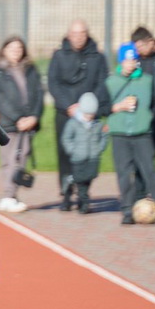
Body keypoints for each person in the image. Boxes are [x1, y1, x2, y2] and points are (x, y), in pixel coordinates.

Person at [104, 45, 155, 225]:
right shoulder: (111, 82)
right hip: (120, 134)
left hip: (142, 134)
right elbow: (103, 107)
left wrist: (149, 117)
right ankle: (126, 210)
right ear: (121, 61)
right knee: (124, 173)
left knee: (150, 172)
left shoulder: (147, 81)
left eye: (133, 60)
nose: (130, 64)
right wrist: (117, 108)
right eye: (127, 60)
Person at [47, 20, 110, 189]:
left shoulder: (98, 57)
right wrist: (69, 106)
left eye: (82, 33)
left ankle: (83, 191)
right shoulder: (59, 56)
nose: (78, 38)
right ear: (69, 35)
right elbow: (53, 83)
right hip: (65, 112)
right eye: (74, 34)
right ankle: (66, 189)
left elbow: (102, 82)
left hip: (89, 114)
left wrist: (87, 107)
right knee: (64, 150)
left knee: (88, 153)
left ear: (87, 34)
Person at [0, 36, 43, 213]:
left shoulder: (30, 70)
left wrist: (34, 116)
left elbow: (38, 94)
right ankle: (8, 195)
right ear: (4, 50)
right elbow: (1, 100)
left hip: (28, 123)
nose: (16, 51)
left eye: (19, 48)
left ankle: (13, 195)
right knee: (10, 158)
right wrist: (18, 118)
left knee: (22, 158)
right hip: (9, 124)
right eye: (12, 48)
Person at [131, 26, 155, 194]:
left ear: (151, 42)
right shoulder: (137, 62)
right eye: (136, 48)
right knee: (141, 160)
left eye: (140, 47)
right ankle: (139, 198)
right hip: (142, 118)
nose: (139, 51)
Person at [61, 92, 109, 213]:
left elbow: (104, 136)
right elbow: (66, 138)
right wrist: (72, 150)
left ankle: (71, 181)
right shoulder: (73, 123)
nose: (89, 117)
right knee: (81, 182)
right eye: (87, 114)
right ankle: (84, 204)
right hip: (78, 158)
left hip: (93, 158)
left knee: (88, 179)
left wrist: (100, 148)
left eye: (92, 114)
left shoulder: (98, 124)